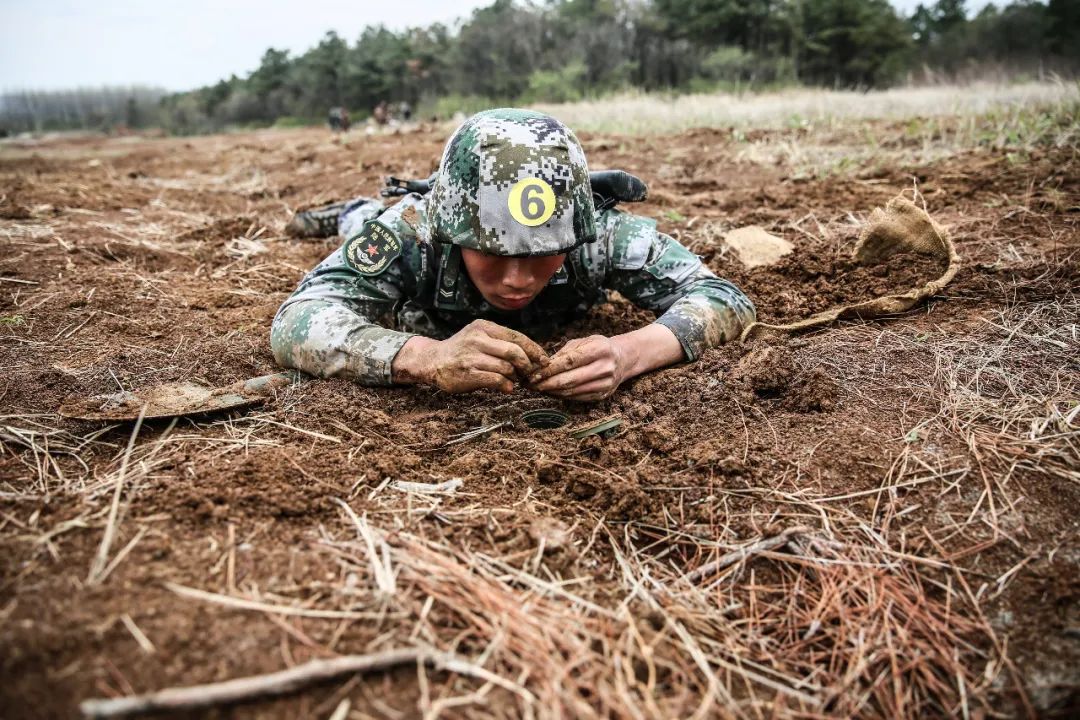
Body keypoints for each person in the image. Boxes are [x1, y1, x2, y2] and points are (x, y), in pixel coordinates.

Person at [272, 109, 755, 401]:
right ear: (452, 231)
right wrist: (425, 357)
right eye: (492, 252)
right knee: (364, 220)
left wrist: (629, 354)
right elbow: (297, 319)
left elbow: (722, 297)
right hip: (397, 228)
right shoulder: (414, 231)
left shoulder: (599, 234)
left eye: (544, 253)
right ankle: (348, 210)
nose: (517, 278)